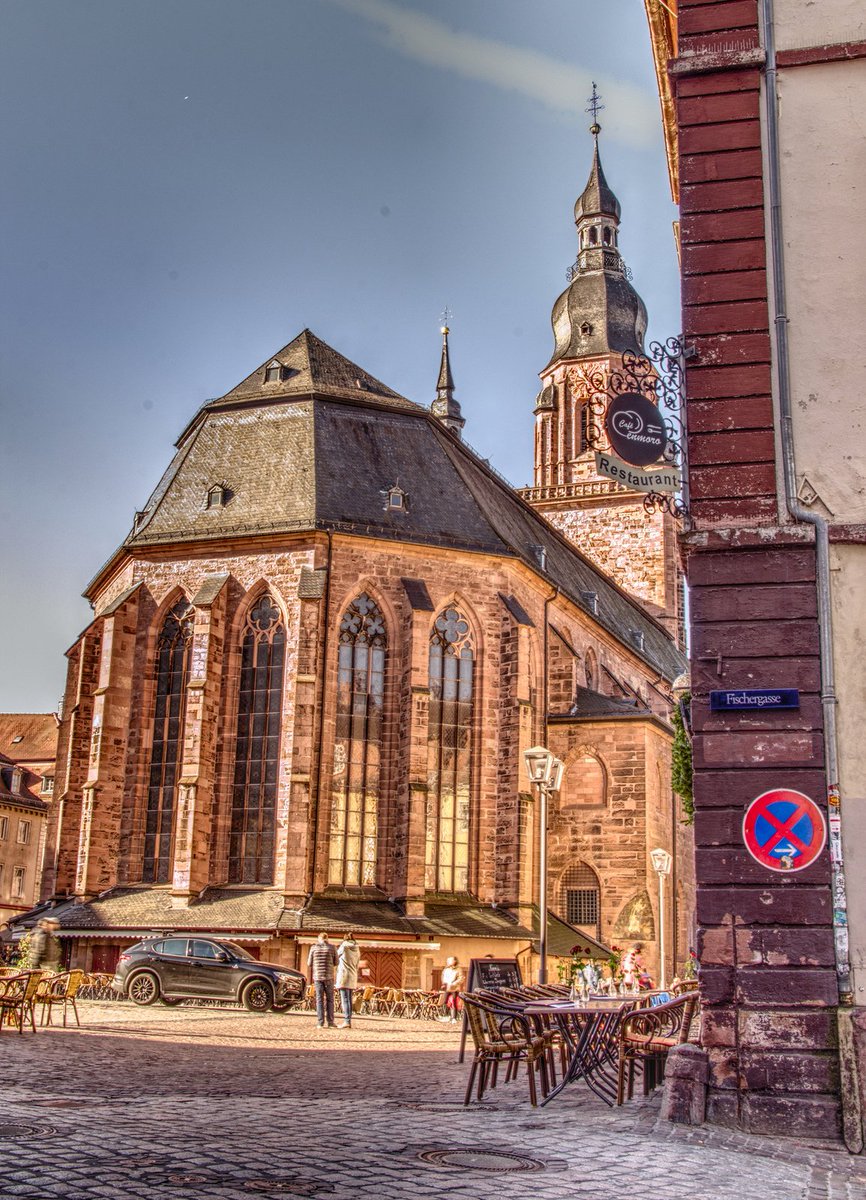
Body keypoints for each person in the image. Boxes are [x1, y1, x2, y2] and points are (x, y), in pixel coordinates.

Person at [307, 932, 338, 1028]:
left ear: (319, 938)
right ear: (327, 938)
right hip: (329, 976)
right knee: (330, 999)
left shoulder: (313, 948)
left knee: (319, 999)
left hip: (317, 977)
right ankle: (330, 1022)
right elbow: (336, 962)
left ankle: (320, 1022)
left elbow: (309, 963)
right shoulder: (332, 948)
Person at [336, 932, 360, 1029]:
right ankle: (348, 1020)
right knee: (349, 999)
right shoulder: (357, 949)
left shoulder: (344, 947)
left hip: (344, 975)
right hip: (353, 975)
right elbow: (357, 964)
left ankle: (346, 1021)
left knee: (345, 999)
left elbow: (336, 957)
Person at [437, 956, 464, 1022]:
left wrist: (454, 983)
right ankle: (445, 1015)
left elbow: (461, 978)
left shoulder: (458, 969)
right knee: (445, 1001)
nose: (448, 962)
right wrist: (443, 983)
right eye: (448, 960)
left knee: (454, 1002)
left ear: (454, 961)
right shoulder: (446, 969)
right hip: (447, 988)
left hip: (454, 989)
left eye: (450, 960)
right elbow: (443, 976)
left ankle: (454, 1018)